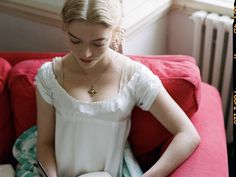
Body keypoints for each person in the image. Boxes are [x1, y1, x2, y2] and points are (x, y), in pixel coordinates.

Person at [35, 0, 201, 177]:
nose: (86, 53)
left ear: (115, 33)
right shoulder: (49, 76)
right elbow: (44, 143)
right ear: (65, 28)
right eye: (75, 41)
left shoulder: (134, 77)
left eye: (98, 43)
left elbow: (188, 134)